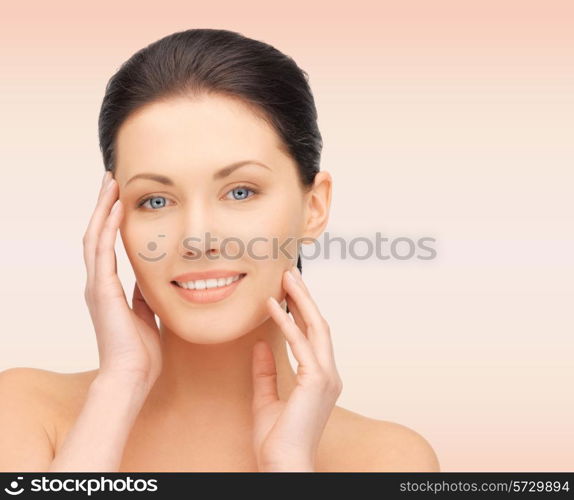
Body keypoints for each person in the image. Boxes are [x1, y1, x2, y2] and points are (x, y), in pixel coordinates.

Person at [0, 28, 440, 472]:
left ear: (314, 207)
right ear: (112, 217)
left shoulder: (386, 461)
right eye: (155, 200)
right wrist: (118, 390)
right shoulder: (24, 413)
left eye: (241, 192)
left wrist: (289, 468)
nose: (197, 240)